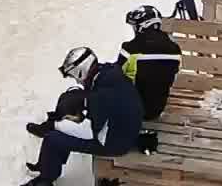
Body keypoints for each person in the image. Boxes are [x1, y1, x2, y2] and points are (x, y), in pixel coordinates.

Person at [22, 47, 142, 185]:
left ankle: (45, 179)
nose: (77, 82)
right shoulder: (107, 74)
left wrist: (58, 125)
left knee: (53, 138)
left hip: (115, 143)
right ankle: (48, 163)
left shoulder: (100, 95)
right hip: (123, 129)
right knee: (72, 98)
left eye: (75, 77)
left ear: (81, 71)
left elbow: (90, 133)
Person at [118, 5, 181, 125]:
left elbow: (116, 75)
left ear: (143, 26)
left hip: (135, 110)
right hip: (157, 108)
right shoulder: (175, 49)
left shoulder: (130, 48)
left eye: (134, 26)